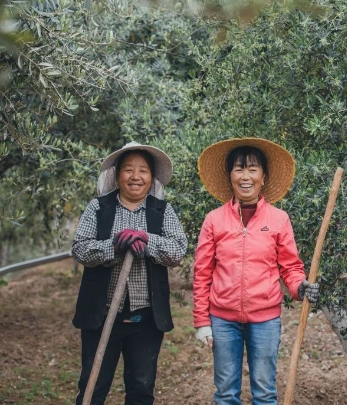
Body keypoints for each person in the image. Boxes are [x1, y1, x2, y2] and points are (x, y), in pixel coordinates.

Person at [192, 137, 320, 405]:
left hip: (265, 321)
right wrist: (202, 321)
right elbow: (202, 274)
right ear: (230, 176)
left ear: (264, 176)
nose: (245, 176)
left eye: (252, 169)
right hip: (223, 320)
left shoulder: (278, 219)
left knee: (264, 392)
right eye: (239, 169)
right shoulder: (214, 220)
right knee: (225, 393)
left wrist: (300, 287)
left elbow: (291, 267)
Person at [72, 142, 188, 405]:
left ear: (151, 177)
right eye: (128, 169)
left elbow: (177, 251)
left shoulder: (162, 210)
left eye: (143, 170)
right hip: (101, 316)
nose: (136, 176)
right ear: (117, 175)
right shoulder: (98, 207)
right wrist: (113, 246)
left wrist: (147, 240)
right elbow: (80, 249)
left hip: (145, 319)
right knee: (93, 386)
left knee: (141, 389)